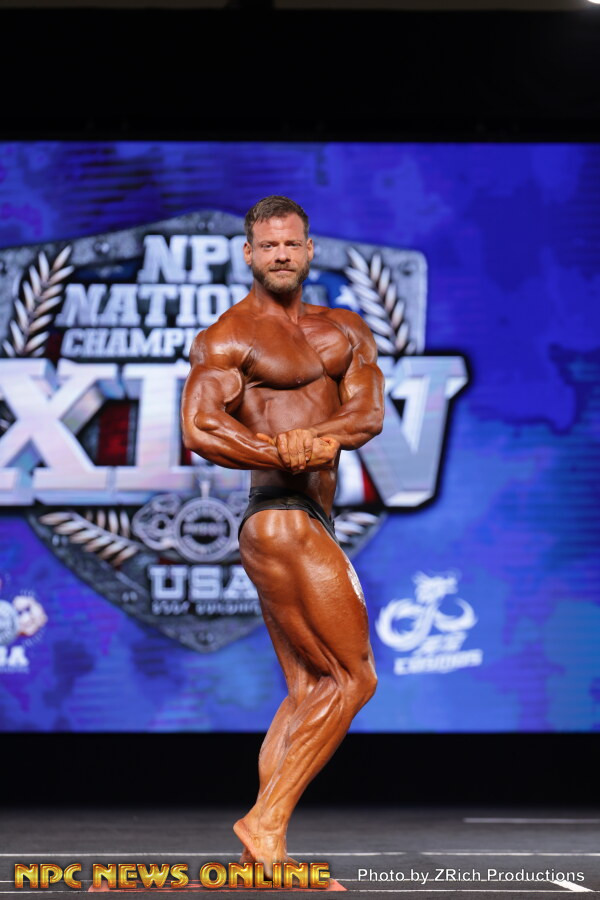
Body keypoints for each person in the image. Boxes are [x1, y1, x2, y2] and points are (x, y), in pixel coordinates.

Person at [181, 196, 385, 884]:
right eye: (267, 246)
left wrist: (317, 439)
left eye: (291, 244)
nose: (280, 255)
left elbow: (368, 413)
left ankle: (261, 854)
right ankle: (265, 822)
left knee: (307, 688)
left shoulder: (346, 329)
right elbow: (200, 426)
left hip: (309, 517)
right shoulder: (228, 336)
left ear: (309, 249)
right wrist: (278, 450)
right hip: (277, 514)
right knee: (353, 677)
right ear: (248, 254)